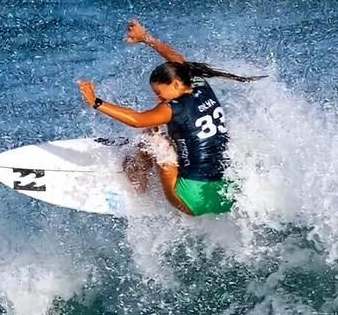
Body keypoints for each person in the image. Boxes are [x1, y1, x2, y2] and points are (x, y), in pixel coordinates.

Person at [77, 19, 264, 216]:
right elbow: (175, 58)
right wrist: (145, 38)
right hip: (225, 197)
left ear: (175, 84)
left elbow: (137, 119)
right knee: (175, 137)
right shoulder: (197, 82)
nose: (157, 97)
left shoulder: (175, 108)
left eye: (159, 92)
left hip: (189, 199)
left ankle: (136, 180)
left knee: (152, 138)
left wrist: (95, 102)